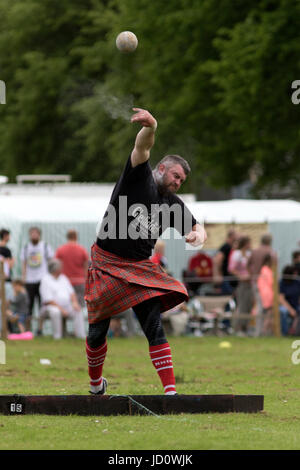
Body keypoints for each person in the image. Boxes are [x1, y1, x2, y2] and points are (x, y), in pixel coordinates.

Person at [85, 107, 207, 395]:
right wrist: (152, 125)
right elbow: (142, 146)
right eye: (175, 176)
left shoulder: (171, 203)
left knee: (154, 326)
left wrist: (196, 235)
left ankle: (171, 392)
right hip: (106, 263)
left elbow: (199, 228)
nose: (177, 182)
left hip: (140, 269)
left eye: (181, 181)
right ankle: (95, 387)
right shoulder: (137, 178)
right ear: (162, 168)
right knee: (96, 332)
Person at [39, 259, 86, 340]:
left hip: (66, 306)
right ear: (55, 269)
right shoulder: (45, 280)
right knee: (55, 311)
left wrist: (74, 303)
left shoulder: (63, 278)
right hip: (50, 307)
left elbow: (72, 293)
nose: (61, 269)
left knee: (78, 310)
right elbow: (48, 300)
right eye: (60, 267)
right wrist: (61, 309)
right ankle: (57, 337)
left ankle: (81, 336)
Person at [21, 227, 54, 332]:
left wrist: (50, 277)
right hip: (29, 281)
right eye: (32, 234)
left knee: (42, 305)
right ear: (29, 235)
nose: (34, 235)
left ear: (39, 235)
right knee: (29, 305)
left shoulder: (45, 246)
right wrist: (24, 277)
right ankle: (27, 330)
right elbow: (24, 264)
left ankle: (40, 329)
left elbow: (51, 261)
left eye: (36, 234)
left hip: (42, 280)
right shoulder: (26, 248)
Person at [248, 233, 277, 336]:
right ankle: (262, 332)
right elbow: (274, 268)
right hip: (267, 284)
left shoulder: (254, 251)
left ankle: (259, 331)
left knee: (258, 306)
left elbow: (248, 264)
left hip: (255, 281)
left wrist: (252, 275)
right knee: (266, 308)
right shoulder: (271, 252)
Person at [55, 229, 89, 309]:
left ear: (67, 237)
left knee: (64, 306)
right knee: (79, 306)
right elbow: (86, 266)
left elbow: (56, 265)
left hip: (65, 282)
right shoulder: (82, 249)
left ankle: (64, 321)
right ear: (76, 237)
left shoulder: (60, 250)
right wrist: (87, 280)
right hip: (79, 281)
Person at [228, 235, 254, 335]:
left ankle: (245, 328)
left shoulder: (249, 253)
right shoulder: (237, 254)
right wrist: (241, 276)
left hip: (250, 283)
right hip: (242, 284)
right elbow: (232, 268)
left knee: (248, 306)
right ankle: (238, 328)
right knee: (242, 305)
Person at [213, 229, 238, 294]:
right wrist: (219, 274)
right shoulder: (226, 247)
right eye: (235, 236)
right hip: (225, 277)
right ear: (231, 236)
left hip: (228, 277)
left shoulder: (230, 247)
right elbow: (217, 261)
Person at [279, 265, 300, 336]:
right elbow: (281, 299)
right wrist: (291, 310)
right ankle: (285, 333)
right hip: (285, 306)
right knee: (283, 312)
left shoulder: (297, 282)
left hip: (296, 305)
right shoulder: (282, 283)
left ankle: (294, 331)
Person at [257, 254, 274, 335]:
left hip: (263, 293)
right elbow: (272, 282)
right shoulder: (267, 270)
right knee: (269, 314)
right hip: (268, 294)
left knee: (267, 313)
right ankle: (264, 332)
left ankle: (266, 331)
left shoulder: (262, 269)